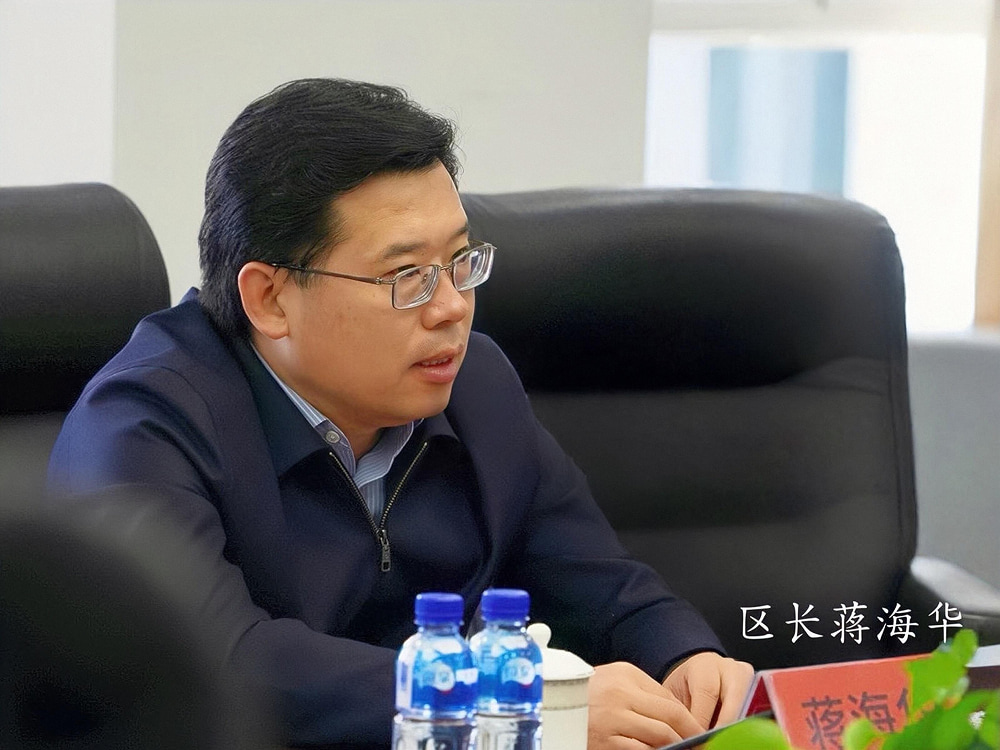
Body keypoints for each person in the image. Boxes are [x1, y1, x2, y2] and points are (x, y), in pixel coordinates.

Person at [48, 78, 752, 749]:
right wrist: (507, 708)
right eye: (406, 276)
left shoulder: (476, 386)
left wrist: (682, 654)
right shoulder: (145, 423)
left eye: (461, 262)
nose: (450, 308)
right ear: (269, 298)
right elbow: (219, 658)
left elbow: (598, 580)